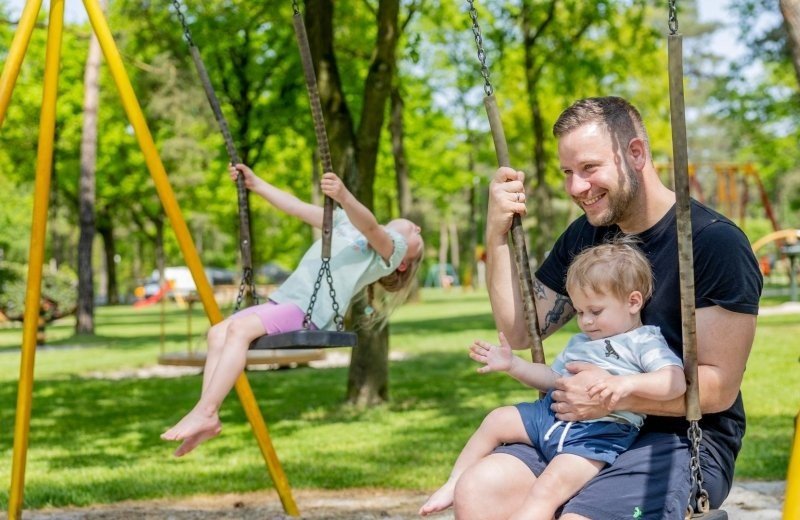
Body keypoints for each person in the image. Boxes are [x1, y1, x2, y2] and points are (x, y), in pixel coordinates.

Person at [454, 96, 762, 519]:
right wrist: (496, 236)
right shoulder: (585, 235)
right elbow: (523, 330)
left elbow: (718, 389)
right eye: (568, 172)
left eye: (589, 169)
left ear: (635, 153)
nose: (576, 187)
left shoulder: (713, 243)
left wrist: (612, 396)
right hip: (581, 429)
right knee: (480, 490)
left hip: (677, 437)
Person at [161, 163, 423, 457]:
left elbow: (372, 227)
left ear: (402, 262)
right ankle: (206, 414)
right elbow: (297, 208)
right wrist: (256, 184)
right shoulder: (344, 224)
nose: (418, 228)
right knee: (217, 333)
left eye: (419, 240)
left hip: (308, 312)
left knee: (237, 331)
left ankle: (206, 412)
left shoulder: (388, 252)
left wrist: (345, 196)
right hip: (287, 302)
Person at [420, 241, 685, 518]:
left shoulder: (644, 341)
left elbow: (674, 382)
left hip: (597, 437)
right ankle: (454, 481)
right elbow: (553, 379)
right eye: (580, 312)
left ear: (633, 302)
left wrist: (624, 384)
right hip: (551, 416)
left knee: (545, 491)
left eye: (595, 311)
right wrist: (514, 365)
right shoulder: (582, 341)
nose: (586, 322)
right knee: (497, 419)